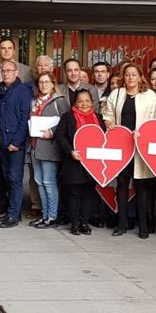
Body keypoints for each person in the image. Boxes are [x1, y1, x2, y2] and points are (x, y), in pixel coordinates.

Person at [102, 63, 156, 238]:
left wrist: (143, 134)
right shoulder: (116, 93)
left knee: (142, 186)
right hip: (122, 145)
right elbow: (107, 113)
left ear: (140, 76)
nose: (130, 78)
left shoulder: (149, 95)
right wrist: (108, 122)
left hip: (140, 145)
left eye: (134, 74)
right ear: (123, 77)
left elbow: (153, 120)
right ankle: (122, 223)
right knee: (122, 184)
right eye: (127, 75)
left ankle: (143, 225)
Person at [54, 89, 101, 235]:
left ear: (92, 102)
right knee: (74, 193)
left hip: (92, 163)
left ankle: (84, 222)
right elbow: (60, 136)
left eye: (87, 101)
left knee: (88, 193)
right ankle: (74, 223)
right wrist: (71, 151)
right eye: (80, 101)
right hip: (73, 162)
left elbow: (104, 138)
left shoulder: (98, 118)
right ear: (75, 102)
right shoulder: (68, 117)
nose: (84, 104)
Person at [0, 61, 33, 228]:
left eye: (10, 70)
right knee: (6, 177)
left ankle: (14, 216)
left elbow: (25, 118)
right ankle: (12, 210)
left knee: (15, 179)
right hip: (2, 140)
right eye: (4, 70)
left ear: (17, 72)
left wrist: (16, 142)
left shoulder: (23, 91)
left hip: (15, 143)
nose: (6, 73)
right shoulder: (1, 90)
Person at [27, 73, 69, 229]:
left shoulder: (60, 101)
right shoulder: (34, 101)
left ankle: (52, 216)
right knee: (39, 181)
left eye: (47, 82)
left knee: (49, 182)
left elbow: (65, 123)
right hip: (34, 145)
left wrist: (51, 132)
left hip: (49, 147)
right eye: (41, 82)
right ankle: (44, 215)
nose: (43, 85)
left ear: (53, 83)